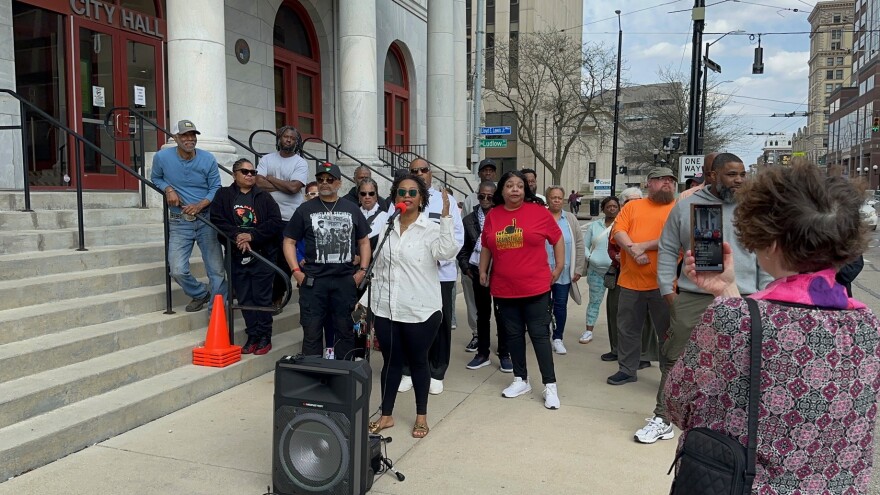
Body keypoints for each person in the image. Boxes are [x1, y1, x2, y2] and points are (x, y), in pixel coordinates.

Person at [666, 162, 880, 494]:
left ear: (773, 243)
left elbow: (678, 403)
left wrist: (726, 299)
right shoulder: (870, 326)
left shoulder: (733, 319)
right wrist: (728, 292)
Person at [638, 153, 772, 444]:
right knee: (675, 359)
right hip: (694, 296)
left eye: (742, 174)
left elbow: (765, 254)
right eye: (731, 175)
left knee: (742, 361)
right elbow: (667, 249)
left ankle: (734, 423)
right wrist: (667, 290)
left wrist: (765, 295)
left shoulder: (754, 209)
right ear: (711, 175)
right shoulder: (687, 208)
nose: (739, 180)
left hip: (747, 295)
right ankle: (663, 417)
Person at [363, 174, 459, 439]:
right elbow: (379, 268)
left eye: (412, 193)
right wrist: (366, 303)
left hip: (421, 310)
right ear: (395, 197)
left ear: (421, 199)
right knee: (390, 362)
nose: (407, 196)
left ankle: (421, 416)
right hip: (387, 308)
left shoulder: (431, 228)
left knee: (418, 362)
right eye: (401, 192)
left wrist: (448, 218)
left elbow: (447, 253)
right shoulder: (387, 226)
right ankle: (386, 416)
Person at [479, 170, 564, 409]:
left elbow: (557, 239)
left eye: (519, 185)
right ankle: (520, 379)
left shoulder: (539, 212)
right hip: (504, 288)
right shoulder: (494, 215)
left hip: (535, 287)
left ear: (525, 190)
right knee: (513, 336)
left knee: (539, 336)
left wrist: (559, 266)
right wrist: (484, 270)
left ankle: (550, 386)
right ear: (502, 191)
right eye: (509, 185)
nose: (515, 189)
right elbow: (487, 245)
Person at [282, 162, 371, 360]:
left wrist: (362, 271)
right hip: (314, 281)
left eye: (329, 180)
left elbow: (364, 242)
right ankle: (314, 379)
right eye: (320, 179)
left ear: (338, 183)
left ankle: (343, 380)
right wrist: (296, 271)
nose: (324, 183)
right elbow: (289, 241)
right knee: (312, 332)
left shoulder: (351, 208)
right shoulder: (305, 209)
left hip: (344, 280)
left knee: (345, 332)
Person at [397, 158, 463, 395]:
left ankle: (436, 371)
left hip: (439, 273)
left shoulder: (445, 201)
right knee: (407, 321)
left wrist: (440, 258)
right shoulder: (402, 199)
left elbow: (456, 235)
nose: (419, 173)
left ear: (431, 173)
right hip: (409, 275)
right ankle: (407, 370)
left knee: (439, 323)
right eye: (414, 171)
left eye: (423, 170)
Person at [606, 167, 677, 386]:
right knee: (627, 329)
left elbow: (677, 240)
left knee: (668, 332)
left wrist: (642, 246)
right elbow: (618, 231)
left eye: (670, 180)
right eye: (660, 180)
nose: (667, 183)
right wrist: (633, 251)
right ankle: (627, 369)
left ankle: (670, 374)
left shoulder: (679, 209)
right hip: (630, 282)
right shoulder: (633, 206)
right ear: (648, 183)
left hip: (665, 285)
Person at [150, 119, 227, 312]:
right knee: (176, 269)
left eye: (192, 135)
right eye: (184, 135)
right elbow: (155, 177)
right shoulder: (162, 157)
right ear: (175, 138)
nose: (190, 139)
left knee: (216, 270)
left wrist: (200, 205)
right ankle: (201, 293)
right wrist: (168, 189)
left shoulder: (207, 158)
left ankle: (216, 313)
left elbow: (216, 188)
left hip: (206, 218)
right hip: (179, 220)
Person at [210, 158, 283, 354]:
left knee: (262, 297)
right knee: (244, 298)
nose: (250, 175)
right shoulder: (224, 195)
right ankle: (252, 336)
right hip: (236, 253)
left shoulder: (264, 197)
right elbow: (217, 219)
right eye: (245, 171)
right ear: (235, 174)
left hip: (262, 255)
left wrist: (252, 235)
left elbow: (275, 222)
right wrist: (237, 236)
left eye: (253, 172)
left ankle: (264, 336)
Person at [458, 181, 511, 372]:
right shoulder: (469, 220)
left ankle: (504, 354)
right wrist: (467, 269)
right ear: (477, 196)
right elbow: (462, 249)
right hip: (477, 273)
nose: (486, 200)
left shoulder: (503, 218)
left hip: (501, 273)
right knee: (482, 314)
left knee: (502, 314)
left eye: (490, 196)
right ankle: (482, 353)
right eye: (482, 196)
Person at [602, 188, 659, 365]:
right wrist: (616, 256)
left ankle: (644, 355)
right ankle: (617, 349)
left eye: (638, 200)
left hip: (646, 275)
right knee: (616, 312)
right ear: (622, 204)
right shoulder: (620, 221)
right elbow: (611, 247)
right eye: (629, 201)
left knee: (645, 318)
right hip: (621, 273)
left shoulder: (650, 219)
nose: (634, 204)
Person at [255, 126, 309, 310]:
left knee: (285, 260)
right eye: (285, 137)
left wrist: (271, 179)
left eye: (292, 138)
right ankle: (263, 294)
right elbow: (258, 182)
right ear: (279, 139)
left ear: (296, 142)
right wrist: (284, 185)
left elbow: (295, 188)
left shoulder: (300, 162)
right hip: (268, 217)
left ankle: (278, 295)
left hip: (290, 218)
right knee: (266, 257)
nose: (288, 140)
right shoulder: (267, 159)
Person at [461, 159, 499, 352]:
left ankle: (504, 344)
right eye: (485, 170)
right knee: (477, 307)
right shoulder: (469, 202)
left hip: (500, 269)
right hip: (475, 268)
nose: (485, 200)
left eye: (492, 170)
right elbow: (463, 237)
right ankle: (478, 337)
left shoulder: (503, 208)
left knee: (501, 309)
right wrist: (466, 266)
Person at [544, 186, 585, 355]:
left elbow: (579, 244)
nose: (556, 200)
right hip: (543, 271)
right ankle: (542, 334)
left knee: (560, 305)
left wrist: (578, 268)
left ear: (564, 200)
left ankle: (558, 337)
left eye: (559, 197)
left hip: (565, 271)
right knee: (543, 306)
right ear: (548, 199)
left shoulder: (570, 219)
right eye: (553, 197)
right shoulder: (541, 217)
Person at [579, 196, 619, 345]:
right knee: (594, 301)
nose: (612, 209)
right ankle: (588, 330)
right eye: (608, 206)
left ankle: (618, 333)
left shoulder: (622, 225)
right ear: (603, 209)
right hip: (596, 271)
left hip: (616, 271)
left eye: (614, 206)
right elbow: (584, 245)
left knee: (618, 304)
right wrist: (590, 258)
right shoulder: (594, 226)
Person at [357, 177, 389, 251]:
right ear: (359, 196)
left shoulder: (385, 217)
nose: (367, 197)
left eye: (371, 193)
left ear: (376, 196)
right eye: (363, 194)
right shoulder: (353, 216)